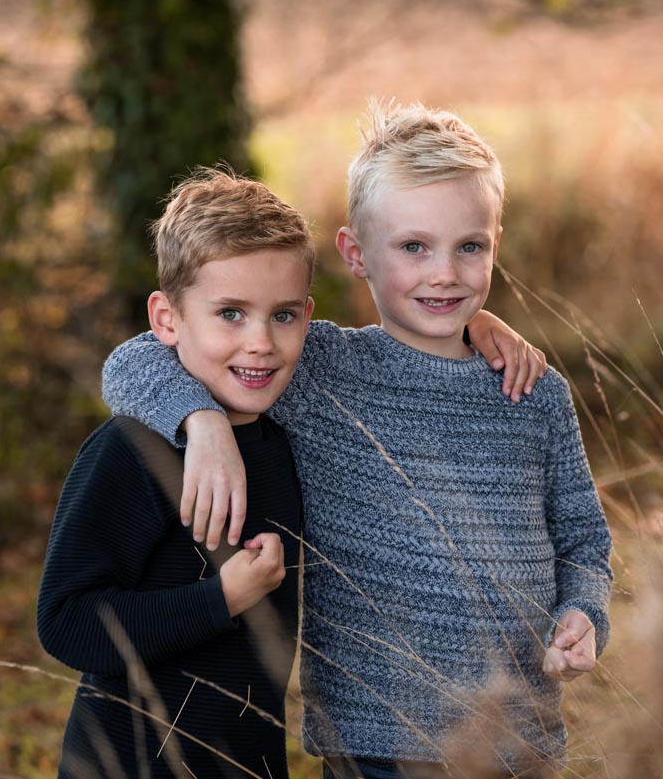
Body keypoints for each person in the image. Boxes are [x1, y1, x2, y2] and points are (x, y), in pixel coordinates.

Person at [102, 103, 611, 778]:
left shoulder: (533, 392)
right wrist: (201, 420)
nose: (445, 274)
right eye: (413, 247)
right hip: (377, 739)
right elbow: (133, 359)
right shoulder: (323, 370)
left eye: (470, 246)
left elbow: (583, 536)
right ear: (356, 254)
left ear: (495, 244)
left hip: (519, 733)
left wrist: (585, 609)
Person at [37, 168, 315, 779]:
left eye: (284, 315)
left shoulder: (292, 439)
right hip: (129, 762)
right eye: (231, 314)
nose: (261, 342)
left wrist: (476, 326)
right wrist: (223, 598)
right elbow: (66, 622)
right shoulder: (130, 451)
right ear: (166, 319)